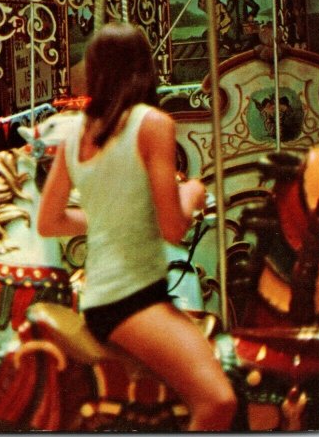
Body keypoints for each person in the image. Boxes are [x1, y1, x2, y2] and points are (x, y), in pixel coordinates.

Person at [37, 23, 236, 431]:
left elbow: (48, 221)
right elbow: (173, 229)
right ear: (145, 67)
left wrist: (112, 216)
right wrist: (194, 193)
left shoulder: (76, 132)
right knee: (218, 402)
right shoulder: (152, 124)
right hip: (136, 300)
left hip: (98, 298)